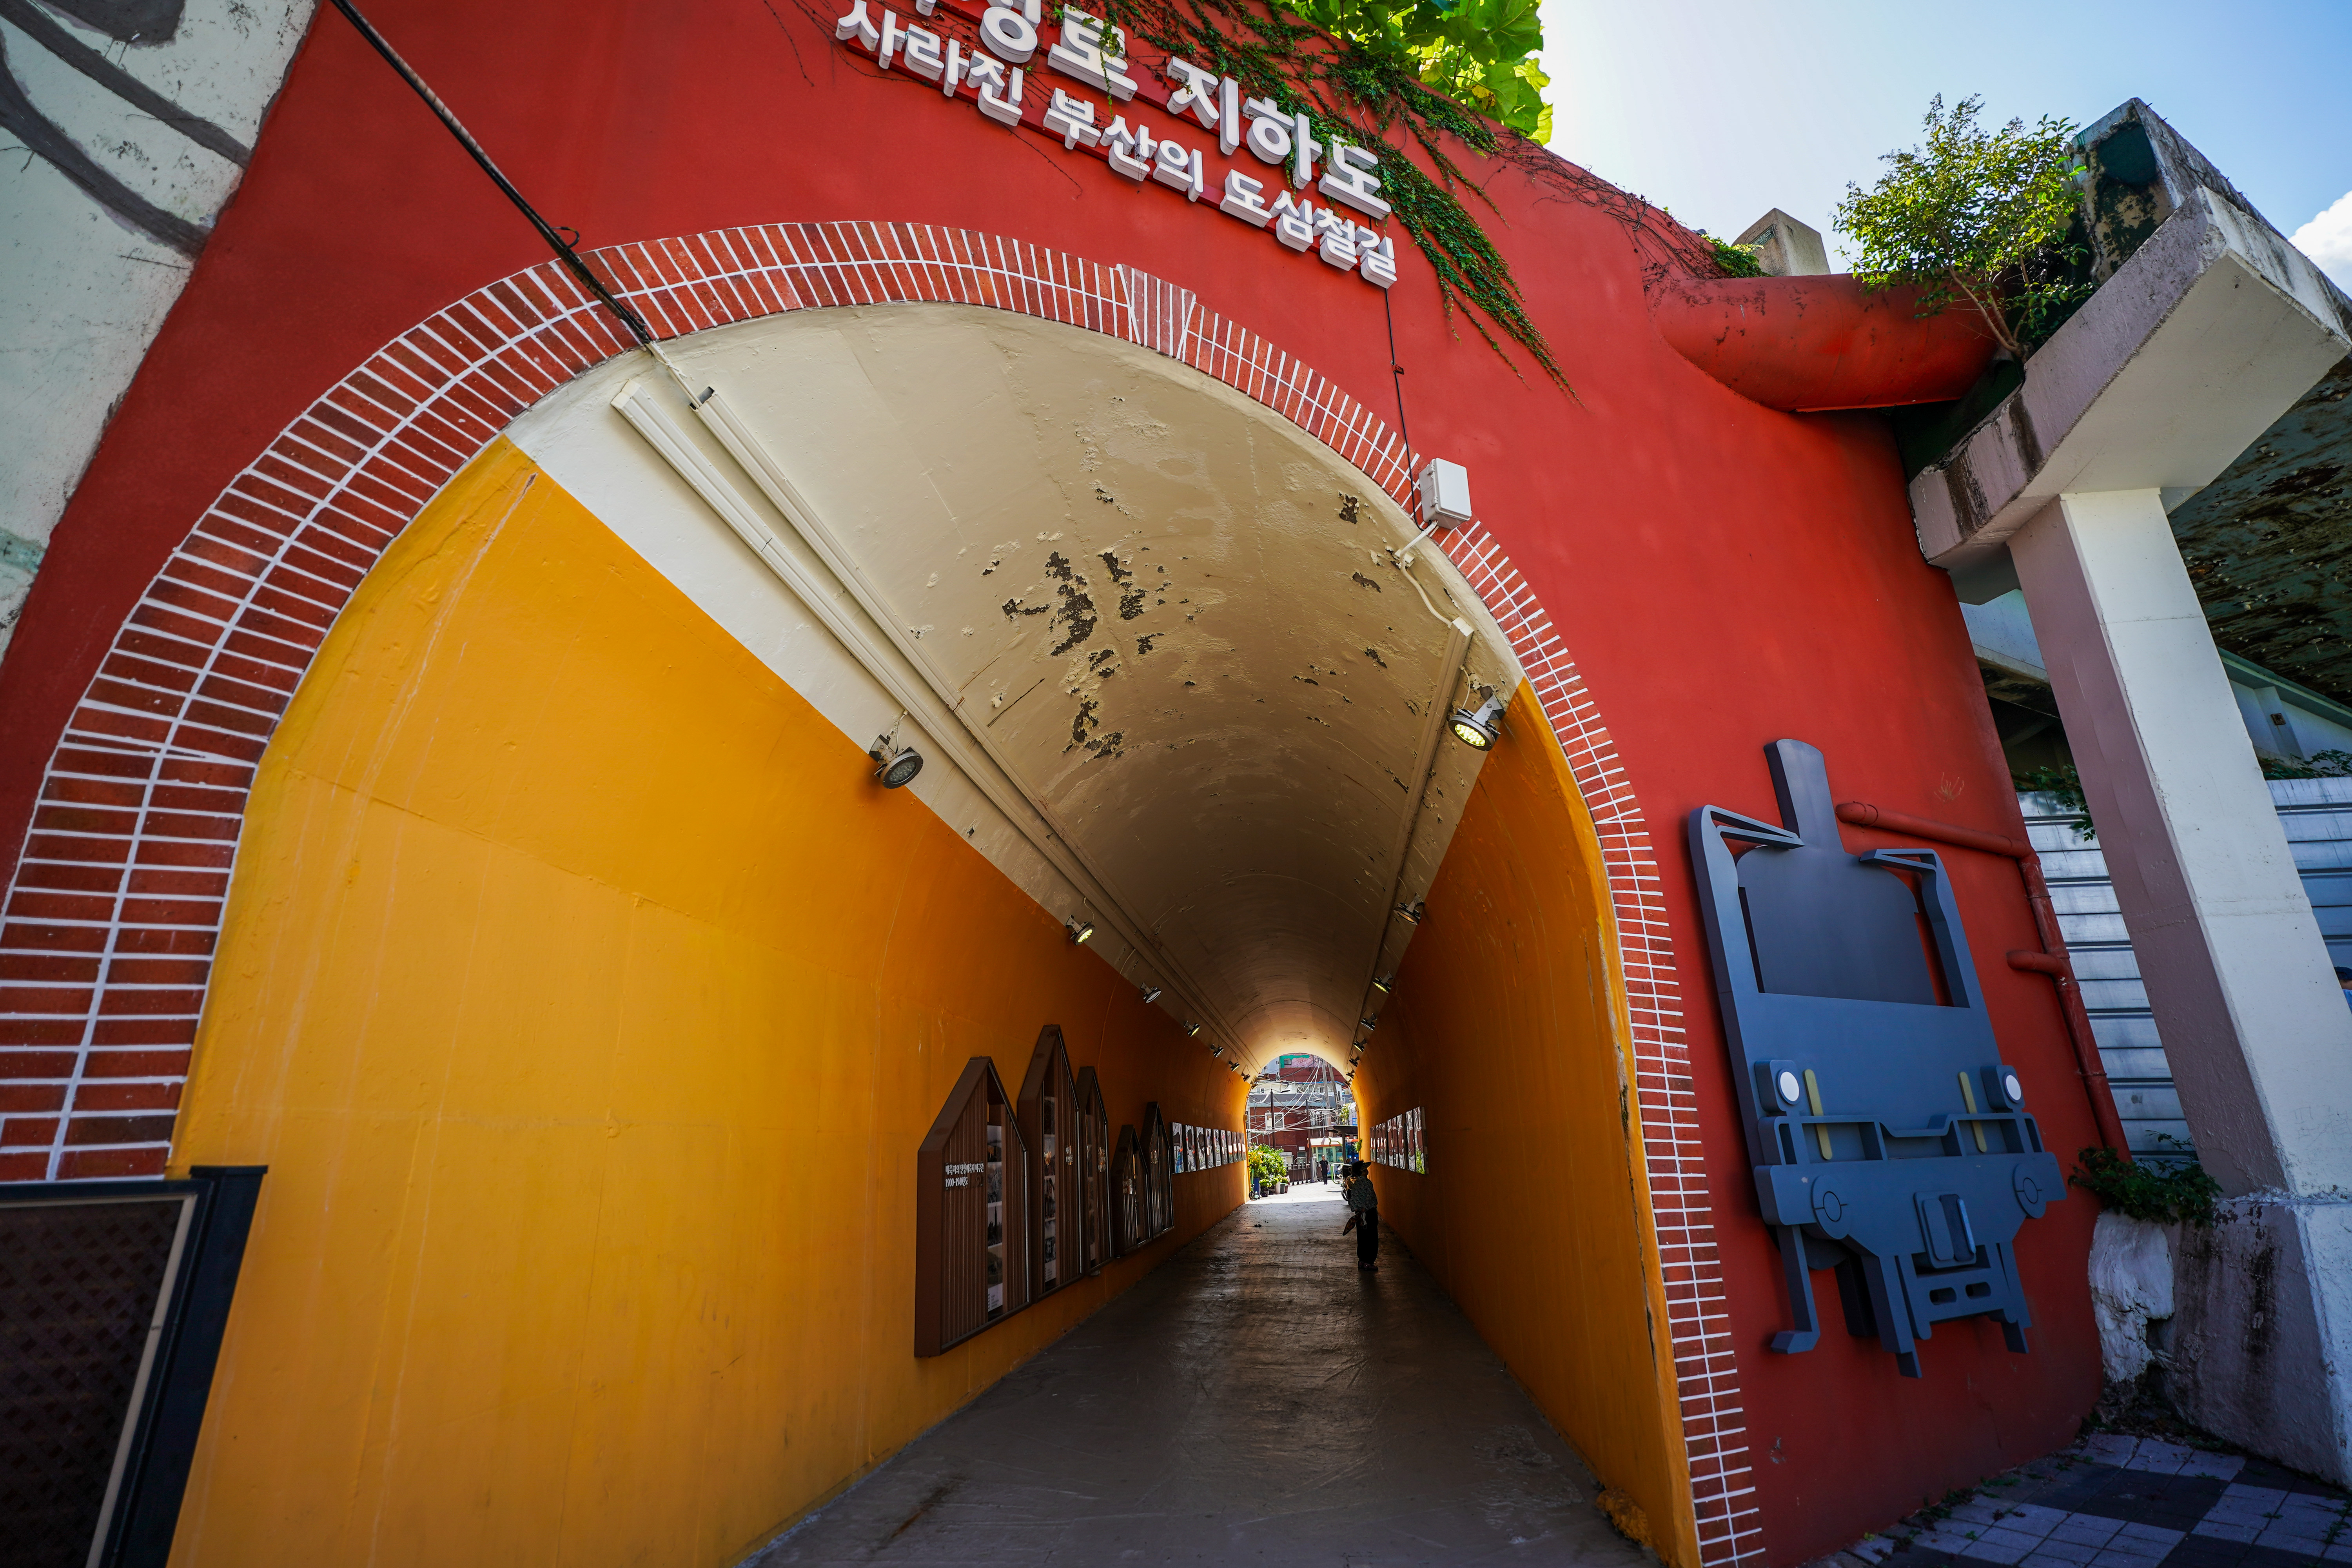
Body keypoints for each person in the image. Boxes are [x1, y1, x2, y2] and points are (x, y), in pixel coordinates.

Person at [1342, 1159, 1379, 1272]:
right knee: (1372, 1238)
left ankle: (1362, 1260)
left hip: (1359, 1215)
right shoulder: (1367, 1183)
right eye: (1366, 1170)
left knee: (1362, 1237)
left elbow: (1351, 1199)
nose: (1367, 1171)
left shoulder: (1355, 1184)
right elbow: (1371, 1199)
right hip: (1369, 1214)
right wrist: (1366, 1208)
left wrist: (1358, 1210)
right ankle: (1369, 1262)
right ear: (1362, 1172)